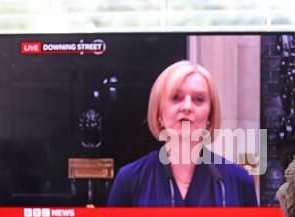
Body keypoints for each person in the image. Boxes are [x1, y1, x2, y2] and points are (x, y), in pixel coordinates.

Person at [107, 60, 258, 207]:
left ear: (210, 115)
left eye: (198, 99)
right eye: (176, 97)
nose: (187, 107)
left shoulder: (239, 181)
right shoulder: (129, 180)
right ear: (159, 112)